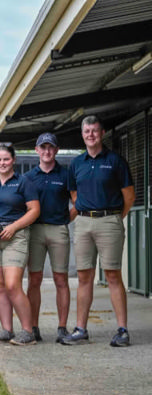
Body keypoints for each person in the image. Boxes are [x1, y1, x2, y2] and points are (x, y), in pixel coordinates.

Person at [62, 116, 135, 347]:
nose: (90, 135)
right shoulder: (76, 163)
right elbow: (75, 195)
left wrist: (113, 218)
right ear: (82, 135)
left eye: (94, 131)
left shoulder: (115, 161)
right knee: (84, 277)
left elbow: (129, 196)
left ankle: (122, 330)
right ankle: (81, 329)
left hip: (109, 221)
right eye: (86, 131)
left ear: (102, 133)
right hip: (83, 223)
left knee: (113, 275)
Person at [0, 143, 40, 346]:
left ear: (13, 160)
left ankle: (28, 332)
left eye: (6, 159)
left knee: (12, 284)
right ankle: (6, 330)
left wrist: (14, 226)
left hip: (16, 237)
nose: (2, 163)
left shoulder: (23, 182)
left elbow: (34, 210)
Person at [24, 133, 75, 342]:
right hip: (35, 231)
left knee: (61, 279)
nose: (46, 151)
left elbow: (77, 202)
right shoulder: (28, 177)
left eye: (50, 147)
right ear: (36, 150)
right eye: (42, 147)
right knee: (34, 279)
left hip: (58, 230)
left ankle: (62, 327)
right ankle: (33, 327)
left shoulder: (65, 174)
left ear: (56, 150)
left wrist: (65, 220)